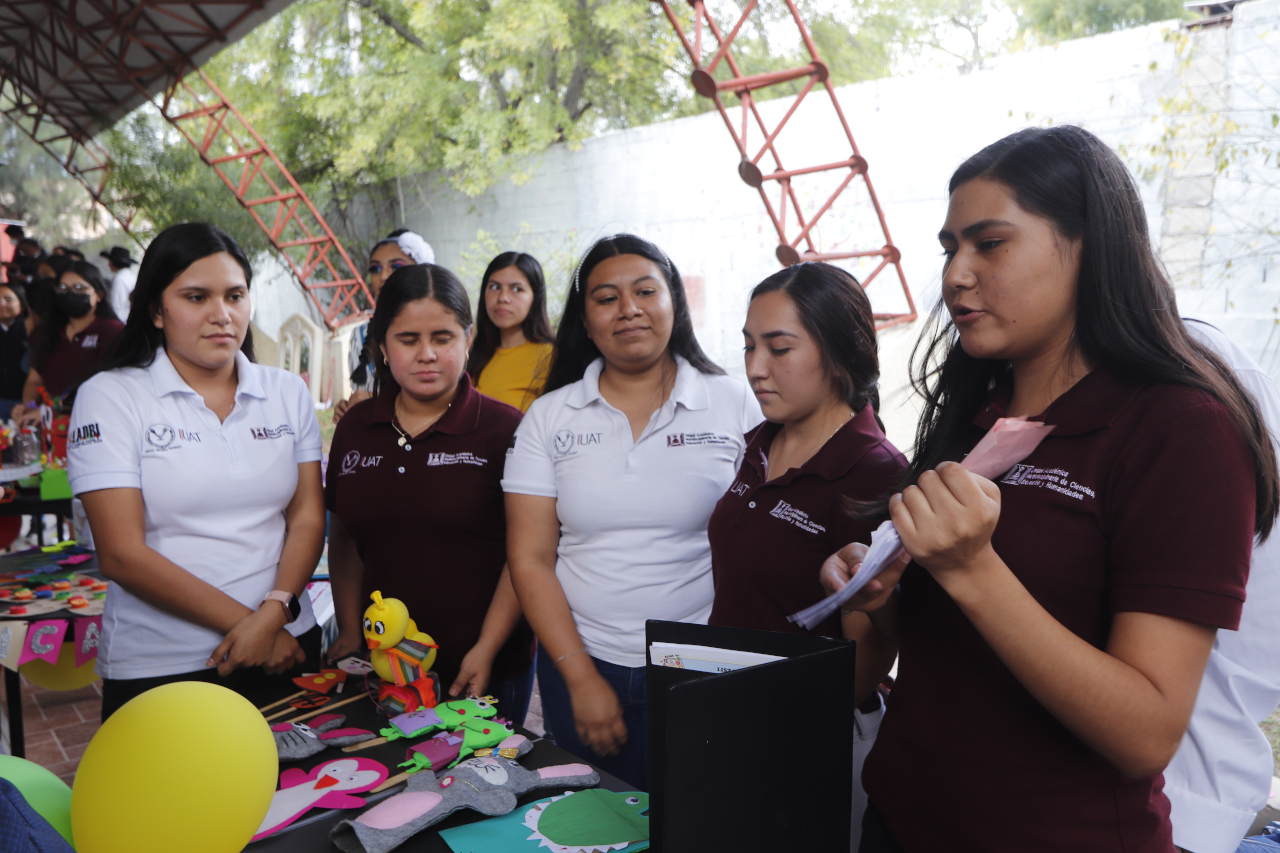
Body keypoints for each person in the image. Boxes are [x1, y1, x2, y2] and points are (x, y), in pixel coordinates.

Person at [826, 126, 1278, 853]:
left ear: (1088, 245)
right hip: (902, 819)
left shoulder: (1180, 427)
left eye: (990, 243)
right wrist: (872, 598)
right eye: (949, 248)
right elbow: (899, 665)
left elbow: (1146, 731)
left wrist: (973, 569)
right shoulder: (974, 413)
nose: (955, 275)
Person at [503, 234, 763, 791]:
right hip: (581, 660)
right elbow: (529, 558)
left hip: (705, 666)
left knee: (700, 819)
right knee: (593, 823)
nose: (629, 309)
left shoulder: (736, 403)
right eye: (606, 298)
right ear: (585, 319)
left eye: (646, 290)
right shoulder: (549, 418)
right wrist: (580, 678)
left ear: (674, 302)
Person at [66, 222, 326, 720]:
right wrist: (252, 629)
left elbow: (308, 519)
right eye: (195, 297)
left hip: (289, 647)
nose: (221, 315)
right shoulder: (111, 395)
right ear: (156, 310)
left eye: (234, 295)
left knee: (306, 795)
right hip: (162, 662)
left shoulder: (285, 392)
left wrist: (273, 617)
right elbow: (121, 554)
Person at [706, 262, 905, 851]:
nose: (755, 368)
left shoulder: (874, 471)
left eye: (779, 347)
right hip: (732, 711)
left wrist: (765, 732)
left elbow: (866, 661)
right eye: (748, 346)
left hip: (807, 733)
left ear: (840, 353)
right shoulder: (760, 443)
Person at [323, 263, 536, 723]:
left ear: (468, 338)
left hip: (481, 668)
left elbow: (529, 554)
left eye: (442, 338)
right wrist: (348, 627)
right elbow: (342, 535)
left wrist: (486, 649)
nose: (427, 354)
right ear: (381, 344)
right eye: (407, 340)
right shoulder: (356, 430)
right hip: (385, 665)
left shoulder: (505, 431)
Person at [1164, 320, 1280, 853]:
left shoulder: (1204, 376)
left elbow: (1258, 624)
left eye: (993, 242)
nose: (957, 277)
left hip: (1179, 799)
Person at [333, 229, 434, 422]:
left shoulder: (439, 329)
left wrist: (376, 402)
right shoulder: (361, 334)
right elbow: (361, 394)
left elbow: (443, 399)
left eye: (395, 267)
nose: (384, 276)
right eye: (375, 269)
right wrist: (348, 409)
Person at [13, 261, 122, 425]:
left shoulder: (113, 331)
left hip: (98, 424)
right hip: (53, 429)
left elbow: (109, 386)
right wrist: (30, 406)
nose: (70, 294)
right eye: (63, 289)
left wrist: (50, 409)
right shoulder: (47, 333)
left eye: (80, 288)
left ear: (98, 294)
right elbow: (34, 381)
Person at [467, 252, 555, 412]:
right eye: (494, 287)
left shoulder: (550, 357)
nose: (503, 298)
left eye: (516, 289)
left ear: (535, 297)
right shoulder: (471, 354)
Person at [0, 282, 29, 416]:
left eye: (8, 299)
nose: (2, 304)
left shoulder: (30, 329)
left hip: (25, 402)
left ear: (21, 304)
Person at [101, 246, 138, 320]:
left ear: (113, 262)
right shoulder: (131, 276)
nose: (108, 264)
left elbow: (117, 307)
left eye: (109, 261)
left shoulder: (120, 279)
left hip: (122, 320)